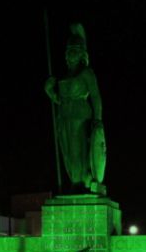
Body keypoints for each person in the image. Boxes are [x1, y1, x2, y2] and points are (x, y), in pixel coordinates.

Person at [45, 23, 107, 195]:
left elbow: (95, 96)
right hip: (64, 116)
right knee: (67, 153)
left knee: (78, 151)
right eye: (68, 49)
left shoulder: (87, 73)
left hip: (80, 116)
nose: (69, 53)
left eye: (73, 49)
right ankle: (74, 181)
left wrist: (98, 119)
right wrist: (50, 91)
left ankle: (82, 182)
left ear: (81, 53)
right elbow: (60, 100)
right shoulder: (64, 76)